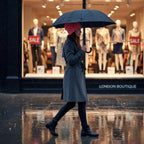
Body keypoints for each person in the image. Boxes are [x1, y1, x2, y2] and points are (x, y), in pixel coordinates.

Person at [45, 22, 99, 137]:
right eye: (79, 30)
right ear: (74, 31)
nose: (80, 32)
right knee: (77, 102)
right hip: (73, 77)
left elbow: (76, 59)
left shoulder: (74, 42)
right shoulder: (69, 43)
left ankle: (54, 123)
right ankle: (83, 129)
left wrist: (82, 53)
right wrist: (81, 51)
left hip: (76, 75)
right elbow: (70, 60)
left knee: (76, 103)